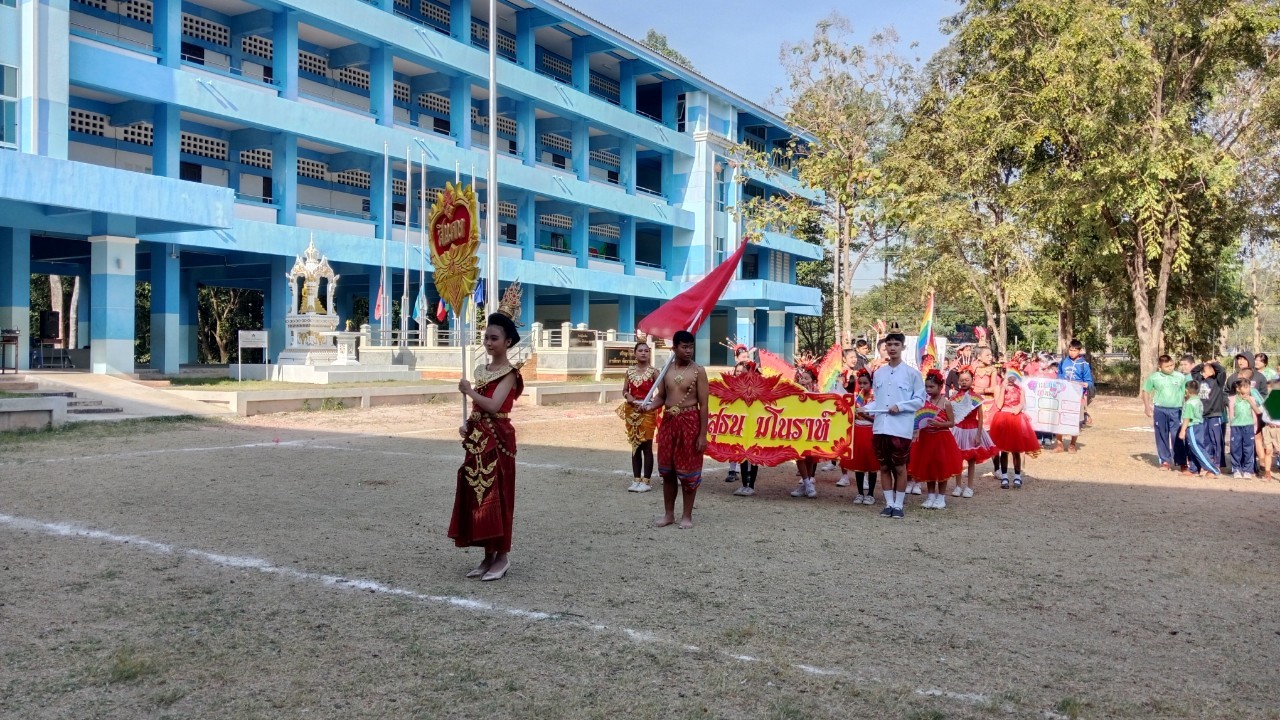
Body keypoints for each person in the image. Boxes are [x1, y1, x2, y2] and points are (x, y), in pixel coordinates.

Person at [448, 300, 525, 582]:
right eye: (486, 338)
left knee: (499, 496)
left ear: (508, 342)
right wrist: (469, 424)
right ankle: (487, 556)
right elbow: (480, 409)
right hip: (478, 440)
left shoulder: (511, 374)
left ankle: (502, 556)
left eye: (494, 338)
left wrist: (469, 391)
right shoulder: (481, 370)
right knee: (479, 496)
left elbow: (493, 405)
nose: (489, 343)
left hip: (499, 440)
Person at [649, 330, 708, 529]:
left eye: (691, 347)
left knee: (689, 473)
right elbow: (661, 397)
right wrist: (648, 407)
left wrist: (702, 435)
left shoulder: (698, 371)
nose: (688, 351)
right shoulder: (666, 370)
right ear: (674, 348)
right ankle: (668, 514)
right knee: (668, 471)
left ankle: (687, 516)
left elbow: (704, 405)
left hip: (690, 422)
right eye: (684, 347)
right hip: (668, 422)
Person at [871, 326, 926, 519]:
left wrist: (901, 406)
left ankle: (899, 505)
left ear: (903, 347)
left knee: (900, 467)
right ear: (885, 347)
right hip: (880, 427)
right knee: (884, 466)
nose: (892, 348)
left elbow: (920, 400)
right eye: (889, 344)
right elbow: (877, 400)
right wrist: (863, 409)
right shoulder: (879, 373)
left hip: (900, 428)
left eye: (896, 344)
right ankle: (889, 504)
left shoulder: (912, 374)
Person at [908, 370, 963, 509]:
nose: (928, 389)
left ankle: (941, 497)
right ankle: (931, 495)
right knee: (928, 466)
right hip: (926, 438)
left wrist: (939, 424)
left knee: (941, 467)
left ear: (940, 386)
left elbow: (952, 423)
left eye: (931, 386)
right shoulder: (924, 402)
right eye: (926, 386)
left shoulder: (946, 403)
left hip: (941, 439)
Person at [617, 342, 659, 493]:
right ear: (635, 353)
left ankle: (646, 481)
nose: (643, 353)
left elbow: (662, 393)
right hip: (632, 410)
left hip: (647, 410)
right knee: (635, 445)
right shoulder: (629, 371)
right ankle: (636, 479)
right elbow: (624, 390)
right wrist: (627, 396)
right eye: (640, 350)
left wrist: (651, 405)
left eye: (646, 351)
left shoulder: (654, 372)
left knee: (646, 446)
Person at [950, 367, 998, 497]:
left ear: (972, 380)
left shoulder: (977, 398)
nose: (964, 382)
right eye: (961, 380)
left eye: (967, 380)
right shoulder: (954, 397)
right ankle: (958, 486)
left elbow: (980, 417)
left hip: (972, 429)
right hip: (958, 429)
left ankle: (969, 487)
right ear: (958, 381)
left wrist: (978, 435)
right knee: (958, 458)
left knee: (971, 459)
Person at [989, 368, 1040, 488]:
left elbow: (1023, 402)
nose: (1011, 379)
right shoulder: (999, 388)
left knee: (1016, 449)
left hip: (1016, 419)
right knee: (1004, 450)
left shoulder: (1020, 388)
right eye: (1009, 376)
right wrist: (1003, 389)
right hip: (1003, 419)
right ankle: (1004, 476)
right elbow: (999, 405)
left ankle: (1017, 476)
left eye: (1013, 376)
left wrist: (1020, 407)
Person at [1142, 355, 1187, 470]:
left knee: (1177, 435)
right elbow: (1145, 391)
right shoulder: (1154, 377)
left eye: (1172, 365)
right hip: (1160, 410)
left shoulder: (1180, 377)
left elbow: (1187, 393)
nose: (1170, 368)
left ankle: (1181, 462)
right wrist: (1147, 407)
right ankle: (1165, 461)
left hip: (1176, 410)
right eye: (1167, 366)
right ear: (1160, 367)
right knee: (1161, 435)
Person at [842, 369, 880, 505]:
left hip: (871, 431)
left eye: (865, 383)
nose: (863, 385)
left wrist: (865, 416)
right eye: (860, 383)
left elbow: (878, 419)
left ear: (871, 383)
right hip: (857, 431)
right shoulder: (856, 397)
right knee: (858, 463)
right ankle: (859, 493)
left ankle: (870, 494)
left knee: (871, 464)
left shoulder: (876, 398)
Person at [731, 360, 763, 497]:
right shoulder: (735, 386)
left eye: (743, 373)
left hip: (755, 424)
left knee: (753, 454)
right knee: (742, 453)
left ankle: (751, 485)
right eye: (738, 372)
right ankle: (744, 484)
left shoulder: (758, 387)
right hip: (741, 424)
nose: (740, 375)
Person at [791, 364, 822, 499]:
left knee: (809, 457)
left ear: (813, 381)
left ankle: (806, 485)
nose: (803, 380)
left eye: (806, 378)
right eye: (801, 378)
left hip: (812, 427)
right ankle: (808, 484)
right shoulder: (796, 391)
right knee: (799, 455)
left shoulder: (817, 392)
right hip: (798, 427)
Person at [1057, 340, 1094, 452]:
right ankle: (1059, 445)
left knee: (1075, 420)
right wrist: (1062, 380)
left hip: (1077, 397)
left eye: (1074, 350)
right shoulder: (1063, 362)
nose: (1072, 352)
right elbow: (1058, 375)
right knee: (1059, 419)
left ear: (1079, 351)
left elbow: (1089, 382)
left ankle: (1072, 444)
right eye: (1070, 350)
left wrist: (1086, 384)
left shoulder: (1084, 365)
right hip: (1063, 395)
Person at [1191, 358, 1226, 470]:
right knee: (1204, 439)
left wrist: (1213, 364)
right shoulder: (1199, 380)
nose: (1202, 373)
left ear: (1212, 372)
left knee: (1215, 439)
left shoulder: (1218, 381)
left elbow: (1222, 371)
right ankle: (1207, 462)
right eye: (1202, 371)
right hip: (1202, 415)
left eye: (1205, 371)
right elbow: (1194, 371)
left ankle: (1217, 463)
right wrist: (1203, 364)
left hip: (1214, 415)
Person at [1178, 379, 1217, 477]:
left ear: (1186, 390)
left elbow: (1187, 418)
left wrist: (1182, 431)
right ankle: (1194, 469)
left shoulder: (1189, 403)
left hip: (1193, 427)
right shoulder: (1198, 401)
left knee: (1197, 448)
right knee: (1193, 448)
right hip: (1199, 426)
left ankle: (1212, 469)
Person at [1227, 377, 1261, 479]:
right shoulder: (1232, 399)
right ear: (1238, 388)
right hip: (1236, 426)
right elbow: (1231, 414)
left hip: (1249, 425)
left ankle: (1248, 470)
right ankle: (1236, 469)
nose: (1248, 389)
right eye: (1245, 387)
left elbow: (1258, 411)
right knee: (1235, 448)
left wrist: (1249, 400)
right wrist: (1232, 425)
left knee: (1248, 448)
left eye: (1249, 387)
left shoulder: (1252, 399)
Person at [1258, 378, 1280, 481]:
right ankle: (1267, 474)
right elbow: (1259, 411)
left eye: (1270, 388)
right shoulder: (1267, 399)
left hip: (1278, 429)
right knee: (1268, 451)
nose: (1268, 390)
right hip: (1267, 427)